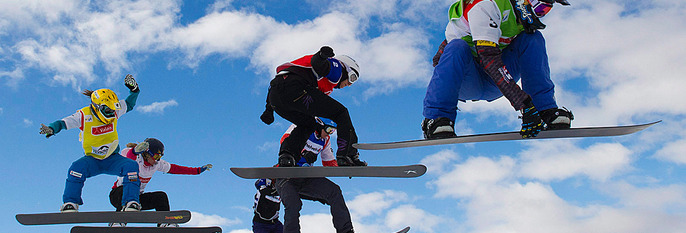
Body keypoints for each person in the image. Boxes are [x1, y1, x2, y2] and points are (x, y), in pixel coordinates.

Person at [422, 0, 574, 140]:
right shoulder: (486, 6)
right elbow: (488, 58)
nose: (539, 15)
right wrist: (524, 104)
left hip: (494, 83)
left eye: (545, 11)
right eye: (541, 8)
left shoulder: (521, 20)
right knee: (457, 47)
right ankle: (436, 119)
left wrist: (531, 107)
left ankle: (544, 110)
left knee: (533, 38)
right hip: (466, 80)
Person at [39, 74, 142, 212]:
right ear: (96, 107)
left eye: (113, 109)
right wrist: (52, 128)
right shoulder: (84, 115)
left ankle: (131, 202)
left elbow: (129, 104)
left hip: (112, 158)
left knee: (131, 166)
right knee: (76, 169)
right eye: (107, 110)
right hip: (92, 160)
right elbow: (63, 123)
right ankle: (70, 203)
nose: (112, 114)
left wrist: (134, 90)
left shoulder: (115, 112)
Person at [260, 46, 366, 167]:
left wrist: (268, 110)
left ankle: (287, 156)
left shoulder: (323, 83)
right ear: (347, 68)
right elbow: (319, 63)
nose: (350, 84)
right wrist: (322, 55)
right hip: (297, 90)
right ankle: (347, 155)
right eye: (353, 77)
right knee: (341, 113)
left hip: (276, 99)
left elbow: (277, 84)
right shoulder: (337, 69)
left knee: (308, 124)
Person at [274, 117, 355, 233]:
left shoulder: (325, 140)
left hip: (306, 177)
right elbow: (284, 141)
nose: (329, 134)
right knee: (293, 204)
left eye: (332, 131)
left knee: (334, 192)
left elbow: (329, 163)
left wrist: (344, 167)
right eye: (328, 130)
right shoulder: (301, 127)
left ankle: (346, 231)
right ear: (319, 125)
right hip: (287, 177)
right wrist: (303, 155)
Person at [108, 138, 213, 227]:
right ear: (147, 153)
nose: (157, 160)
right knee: (125, 191)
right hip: (117, 195)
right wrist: (135, 151)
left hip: (137, 201)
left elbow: (175, 169)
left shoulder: (156, 164)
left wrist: (197, 170)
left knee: (161, 196)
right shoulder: (133, 155)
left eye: (160, 157)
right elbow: (128, 157)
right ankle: (119, 220)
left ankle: (165, 222)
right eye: (156, 156)